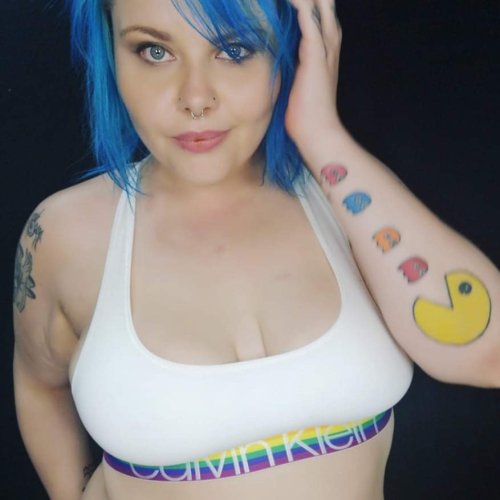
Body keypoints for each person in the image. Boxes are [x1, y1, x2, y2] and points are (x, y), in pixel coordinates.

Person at [12, 0, 499, 499]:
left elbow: (489, 355)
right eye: (154, 51)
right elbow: (39, 385)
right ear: (112, 54)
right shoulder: (64, 234)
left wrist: (323, 136)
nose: (195, 98)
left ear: (293, 47)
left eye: (234, 49)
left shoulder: (346, 199)